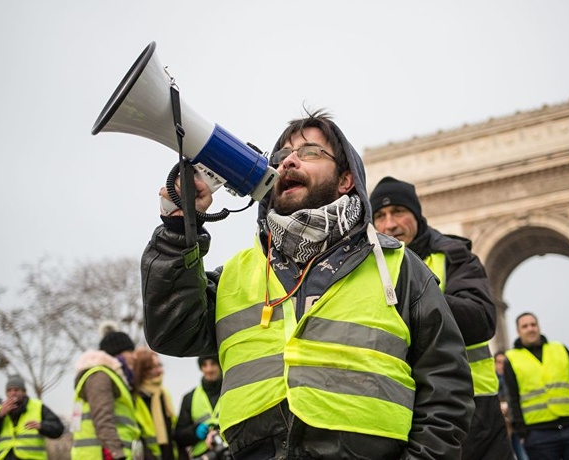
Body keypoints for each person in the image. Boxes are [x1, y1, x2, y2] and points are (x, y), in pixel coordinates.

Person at [141, 109, 475, 459]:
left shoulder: (401, 267)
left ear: (346, 180)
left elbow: (446, 386)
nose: (288, 162)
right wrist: (178, 229)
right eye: (282, 156)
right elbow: (172, 330)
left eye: (310, 152)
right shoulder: (237, 272)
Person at [370, 176, 513, 460]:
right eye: (380, 216)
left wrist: (415, 298)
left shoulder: (454, 255)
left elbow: (482, 319)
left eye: (399, 212)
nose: (390, 224)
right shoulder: (365, 266)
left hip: (471, 408)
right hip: (399, 405)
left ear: (417, 215)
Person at [503, 312, 569, 460]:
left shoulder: (560, 349)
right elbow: (512, 397)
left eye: (533, 324)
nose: (530, 329)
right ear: (518, 331)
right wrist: (522, 432)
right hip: (538, 434)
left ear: (539, 327)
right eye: (525, 326)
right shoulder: (511, 359)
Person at [70, 325, 142, 460]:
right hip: (101, 455)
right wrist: (116, 453)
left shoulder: (114, 378)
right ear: (118, 353)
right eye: (130, 351)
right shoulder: (100, 375)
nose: (135, 357)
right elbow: (102, 418)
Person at [0, 375, 64, 459]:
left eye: (16, 390)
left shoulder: (37, 406)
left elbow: (58, 429)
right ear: (6, 393)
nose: (13, 393)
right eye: (9, 390)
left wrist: (42, 426)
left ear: (24, 392)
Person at [133, 347, 180, 460]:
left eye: (159, 365)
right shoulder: (135, 398)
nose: (159, 370)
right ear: (141, 370)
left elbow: (173, 430)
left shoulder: (163, 394)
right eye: (152, 367)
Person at [173, 355, 222, 459]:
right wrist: (195, 432)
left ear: (219, 365)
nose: (209, 369)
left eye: (213, 364)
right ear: (201, 368)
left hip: (228, 452)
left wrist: (218, 432)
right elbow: (179, 436)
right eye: (205, 365)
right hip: (202, 456)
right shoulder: (189, 398)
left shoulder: (230, 392)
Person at [495, 351, 529, 460]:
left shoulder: (515, 379)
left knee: (523, 455)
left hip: (516, 424)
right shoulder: (493, 381)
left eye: (504, 362)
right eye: (499, 362)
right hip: (502, 425)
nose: (502, 365)